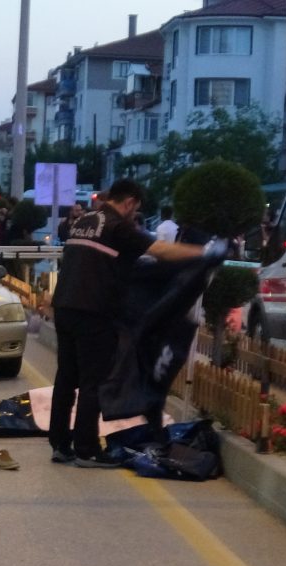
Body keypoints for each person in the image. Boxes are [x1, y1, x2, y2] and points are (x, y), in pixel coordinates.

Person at [49, 178, 211, 468]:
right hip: (94, 310)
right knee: (92, 381)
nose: (134, 214)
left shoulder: (85, 220)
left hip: (64, 306)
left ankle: (60, 444)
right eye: (135, 209)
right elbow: (161, 251)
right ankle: (86, 449)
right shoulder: (118, 226)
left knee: (65, 378)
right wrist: (203, 253)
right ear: (130, 202)